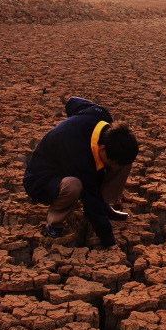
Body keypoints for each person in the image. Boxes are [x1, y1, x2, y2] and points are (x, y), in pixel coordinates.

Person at [23, 97, 138, 247]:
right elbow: (91, 208)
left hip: (67, 165)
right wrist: (109, 242)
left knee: (123, 163)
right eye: (109, 161)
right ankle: (54, 222)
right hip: (40, 180)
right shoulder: (80, 157)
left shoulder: (101, 116)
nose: (111, 166)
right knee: (74, 185)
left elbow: (73, 102)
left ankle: (106, 203)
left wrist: (74, 123)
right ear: (102, 148)